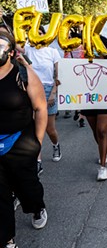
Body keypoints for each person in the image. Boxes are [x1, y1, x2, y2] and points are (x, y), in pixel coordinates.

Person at [0, 32, 48, 248]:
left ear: (10, 51)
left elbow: (40, 109)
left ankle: (37, 207)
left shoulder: (23, 74)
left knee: (27, 188)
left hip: (21, 142)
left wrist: (37, 143)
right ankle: (7, 242)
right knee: (0, 195)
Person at [23, 26, 62, 174]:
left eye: (40, 33)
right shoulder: (27, 49)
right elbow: (14, 44)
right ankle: (37, 160)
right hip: (31, 89)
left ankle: (56, 144)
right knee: (34, 128)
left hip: (47, 90)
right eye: (34, 34)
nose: (37, 36)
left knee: (49, 129)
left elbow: (58, 76)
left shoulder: (53, 52)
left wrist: (53, 93)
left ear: (45, 36)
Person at [80, 35, 107, 181]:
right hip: (89, 100)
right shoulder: (83, 62)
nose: (95, 50)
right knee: (96, 131)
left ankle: (102, 167)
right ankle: (103, 149)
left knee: (102, 130)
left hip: (106, 99)